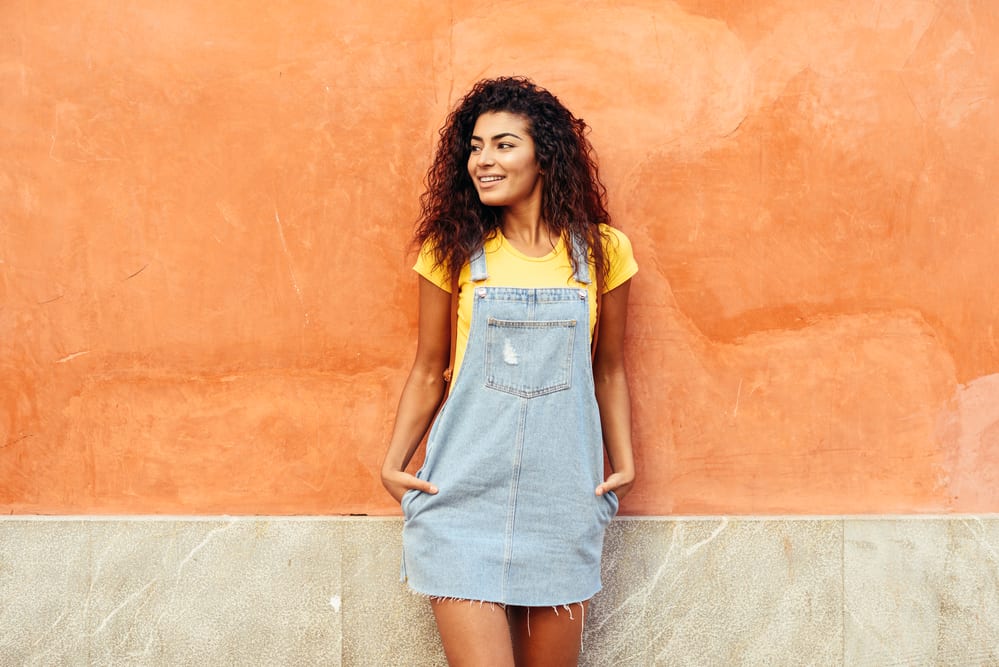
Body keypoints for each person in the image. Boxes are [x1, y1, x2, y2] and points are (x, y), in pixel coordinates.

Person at [381, 76, 637, 666]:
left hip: (563, 496)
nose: (483, 161)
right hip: (462, 494)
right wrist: (393, 464)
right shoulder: (449, 250)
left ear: (544, 156)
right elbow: (429, 370)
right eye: (475, 147)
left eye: (503, 145)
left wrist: (622, 463)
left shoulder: (603, 252)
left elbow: (611, 370)